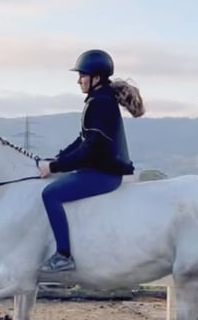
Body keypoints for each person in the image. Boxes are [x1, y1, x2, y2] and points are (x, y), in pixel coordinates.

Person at [37, 49, 145, 273]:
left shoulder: (100, 103)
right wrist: (58, 158)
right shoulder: (99, 100)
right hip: (100, 170)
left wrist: (55, 167)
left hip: (103, 175)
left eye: (82, 75)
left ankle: (63, 255)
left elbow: (90, 149)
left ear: (96, 78)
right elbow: (83, 139)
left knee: (51, 194)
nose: (78, 81)